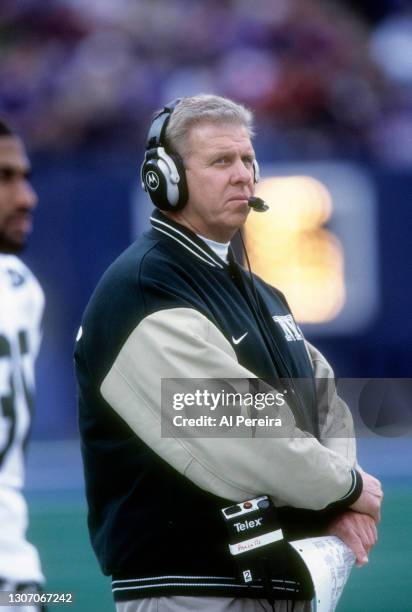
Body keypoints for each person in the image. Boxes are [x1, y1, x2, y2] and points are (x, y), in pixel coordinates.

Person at [75, 95, 383, 612]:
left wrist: (338, 498)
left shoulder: (259, 292)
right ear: (165, 178)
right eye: (221, 161)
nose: (242, 175)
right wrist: (346, 488)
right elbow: (242, 430)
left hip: (279, 583)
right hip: (191, 589)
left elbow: (324, 402)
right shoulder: (148, 287)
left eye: (247, 160)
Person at [0, 120, 45, 610]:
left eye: (23, 176)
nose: (26, 197)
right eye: (4, 177)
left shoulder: (20, 285)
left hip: (18, 583)